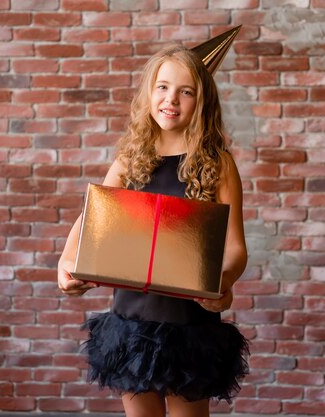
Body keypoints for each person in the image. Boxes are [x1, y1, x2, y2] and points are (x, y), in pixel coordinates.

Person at [57, 39, 249, 417]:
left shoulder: (218, 165)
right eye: (163, 87)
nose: (171, 100)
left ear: (202, 101)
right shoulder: (132, 158)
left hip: (190, 325)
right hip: (132, 323)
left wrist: (223, 282)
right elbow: (90, 218)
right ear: (150, 93)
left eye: (185, 92)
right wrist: (66, 262)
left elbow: (235, 247)